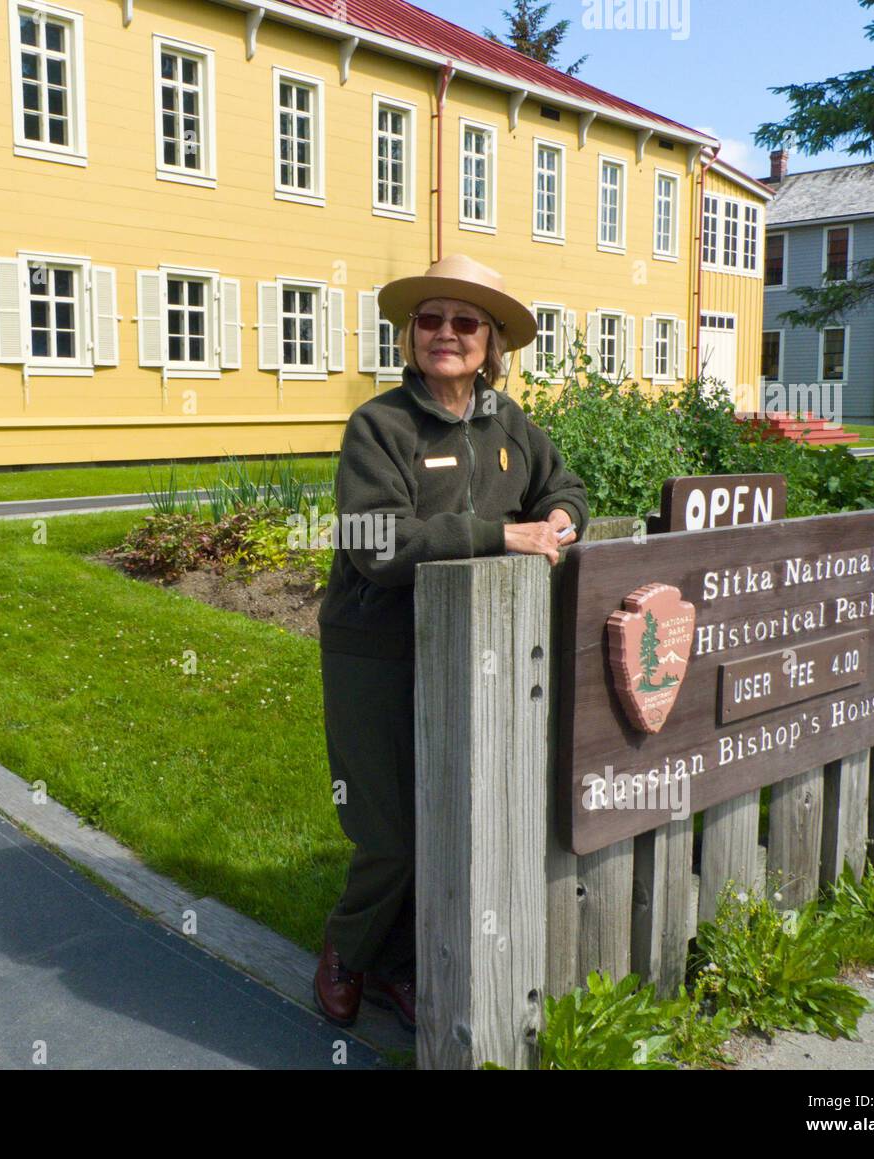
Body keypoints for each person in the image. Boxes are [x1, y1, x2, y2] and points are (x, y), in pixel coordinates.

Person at [313, 253, 589, 1032]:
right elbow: (375, 542)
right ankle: (347, 948)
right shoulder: (380, 425)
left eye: (465, 322)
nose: (446, 333)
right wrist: (500, 534)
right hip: (378, 650)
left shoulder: (509, 424)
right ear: (410, 333)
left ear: (491, 343)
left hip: (475, 656)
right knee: (389, 831)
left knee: (448, 821)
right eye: (431, 319)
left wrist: (562, 521)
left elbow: (562, 488)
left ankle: (398, 966)